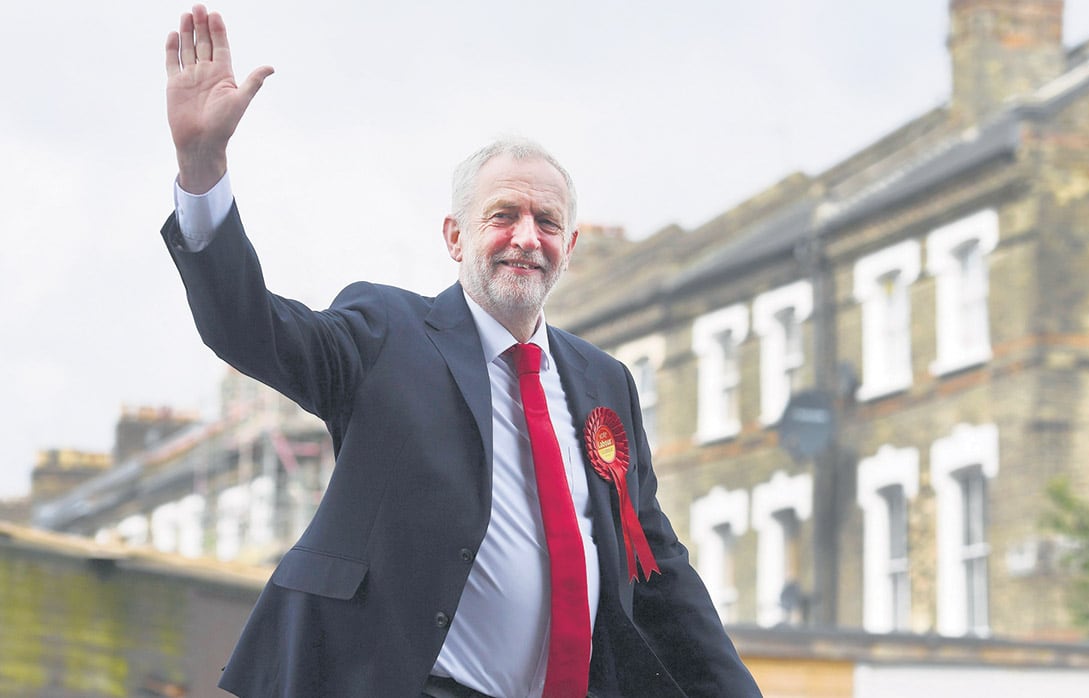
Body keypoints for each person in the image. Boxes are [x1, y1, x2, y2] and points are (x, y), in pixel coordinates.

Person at [162, 5, 761, 697]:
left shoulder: (605, 382)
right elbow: (248, 329)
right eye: (502, 215)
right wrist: (202, 171)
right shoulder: (386, 332)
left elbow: (654, 566)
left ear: (569, 247)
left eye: (547, 221)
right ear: (454, 237)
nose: (525, 236)